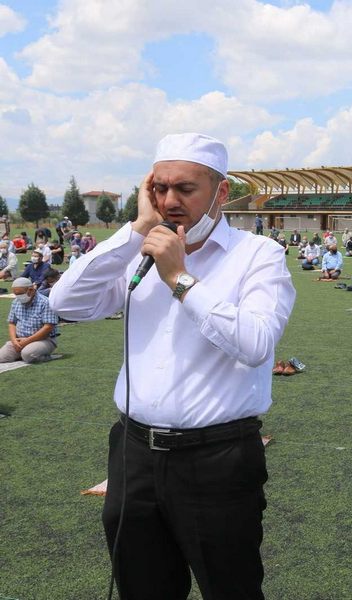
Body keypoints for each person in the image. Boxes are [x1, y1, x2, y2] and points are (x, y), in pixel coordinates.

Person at [49, 133, 295, 599]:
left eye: (185, 188)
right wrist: (137, 228)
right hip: (134, 452)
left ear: (221, 192)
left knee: (231, 588)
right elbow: (65, 303)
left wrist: (180, 280)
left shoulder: (258, 254)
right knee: (142, 587)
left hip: (218, 457)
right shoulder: (139, 249)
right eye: (159, 188)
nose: (169, 200)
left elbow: (257, 343)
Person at [1, 277, 59, 364]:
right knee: (1, 357)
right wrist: (14, 340)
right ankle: (24, 352)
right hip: (20, 340)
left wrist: (26, 341)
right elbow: (11, 323)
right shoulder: (16, 302)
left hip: (44, 340)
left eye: (20, 294)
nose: (18, 296)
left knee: (28, 355)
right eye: (16, 294)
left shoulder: (45, 302)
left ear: (31, 290)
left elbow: (48, 328)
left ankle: (43, 355)